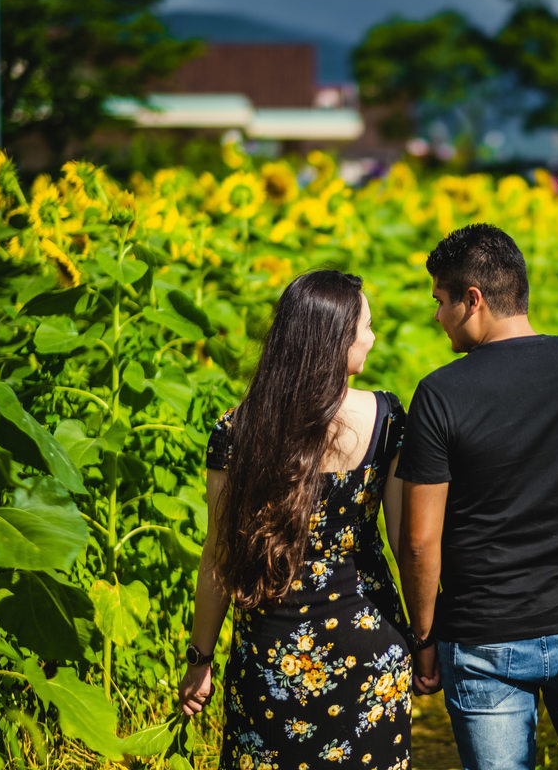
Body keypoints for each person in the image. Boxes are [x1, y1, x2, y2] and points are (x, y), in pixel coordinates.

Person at [396, 223, 558, 770]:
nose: (436, 316)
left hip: (485, 640)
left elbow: (419, 541)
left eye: (440, 301)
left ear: (474, 300)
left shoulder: (441, 395)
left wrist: (423, 638)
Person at [179, 270, 413, 770]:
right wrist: (429, 638)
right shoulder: (387, 418)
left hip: (271, 655)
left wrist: (200, 659)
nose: (372, 338)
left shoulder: (237, 430)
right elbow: (403, 542)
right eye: (364, 327)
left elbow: (219, 556)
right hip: (370, 646)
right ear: (334, 340)